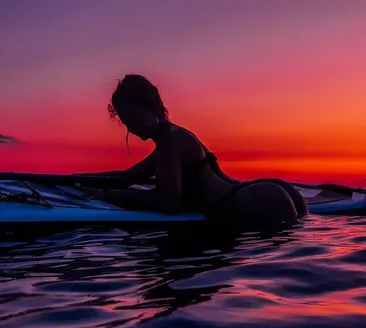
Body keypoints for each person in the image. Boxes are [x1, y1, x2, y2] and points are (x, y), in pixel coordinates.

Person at [80, 74, 308, 225]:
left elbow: (170, 203)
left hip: (255, 203)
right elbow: (130, 176)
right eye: (126, 122)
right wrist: (75, 180)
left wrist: (109, 197)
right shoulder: (176, 137)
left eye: (134, 118)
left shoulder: (169, 143)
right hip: (265, 192)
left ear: (154, 107)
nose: (132, 127)